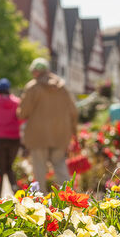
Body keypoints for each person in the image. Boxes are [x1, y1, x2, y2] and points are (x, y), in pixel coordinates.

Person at [18, 58, 78, 194]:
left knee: (39, 169)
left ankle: (41, 201)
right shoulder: (62, 87)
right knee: (60, 166)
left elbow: (22, 113)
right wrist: (74, 131)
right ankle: (70, 198)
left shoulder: (33, 87)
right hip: (61, 135)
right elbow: (73, 111)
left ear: (36, 72)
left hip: (38, 135)